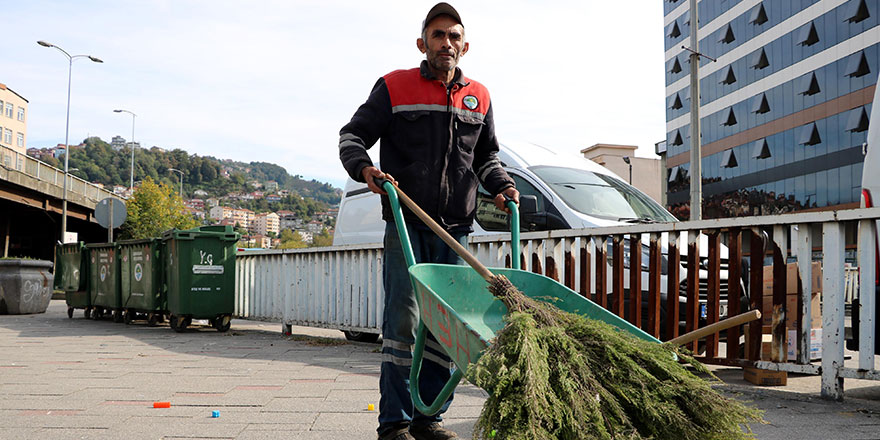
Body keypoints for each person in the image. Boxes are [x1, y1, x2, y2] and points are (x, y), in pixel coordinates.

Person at [338, 3, 519, 440]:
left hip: (456, 230)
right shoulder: (394, 86)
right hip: (407, 223)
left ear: (465, 45)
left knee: (447, 326)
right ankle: (395, 424)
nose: (446, 43)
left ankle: (429, 418)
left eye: (454, 36)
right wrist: (366, 171)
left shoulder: (480, 96)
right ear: (423, 43)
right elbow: (352, 137)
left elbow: (485, 158)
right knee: (404, 322)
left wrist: (503, 186)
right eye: (438, 35)